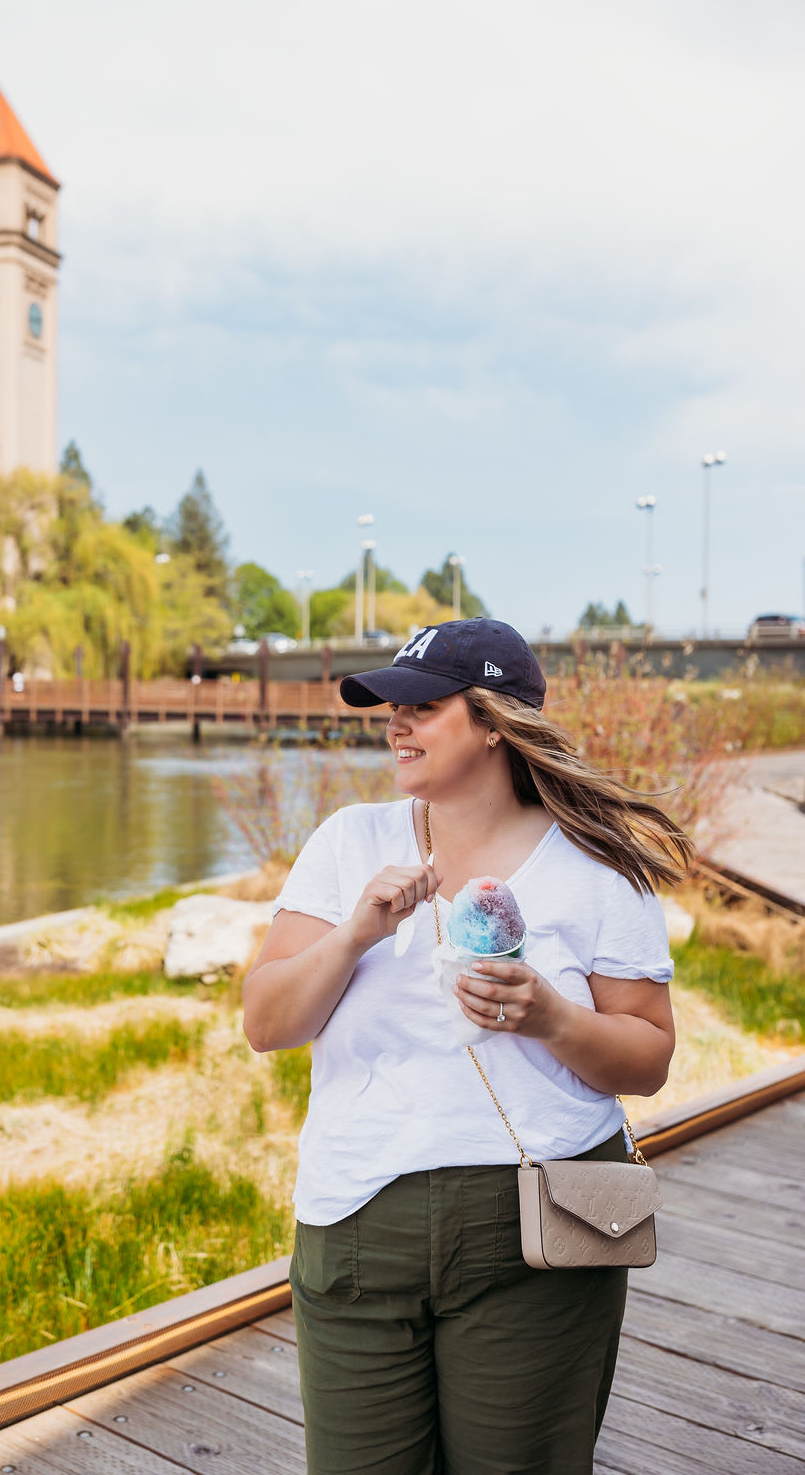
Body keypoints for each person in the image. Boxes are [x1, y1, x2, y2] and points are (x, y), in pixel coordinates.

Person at [243, 618, 694, 1475]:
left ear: (493, 721)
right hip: (356, 1221)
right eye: (388, 705)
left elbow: (649, 1058)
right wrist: (355, 934)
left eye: (423, 703)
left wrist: (550, 1017)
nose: (394, 722)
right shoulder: (350, 843)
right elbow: (267, 1023)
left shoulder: (598, 867)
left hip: (538, 1230)